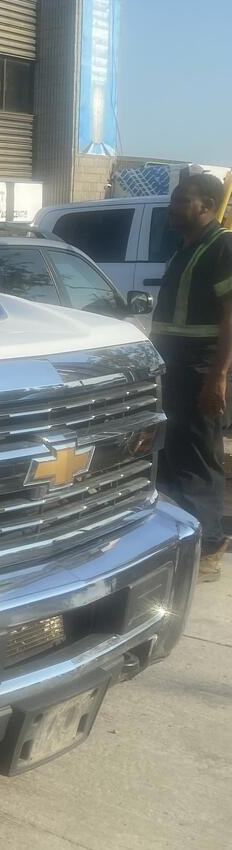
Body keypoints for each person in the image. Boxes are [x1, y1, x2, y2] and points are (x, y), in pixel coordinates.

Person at [150, 173, 232, 581]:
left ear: (207, 205)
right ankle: (182, 537)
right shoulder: (184, 247)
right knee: (172, 453)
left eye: (182, 200)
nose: (172, 206)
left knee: (199, 456)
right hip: (173, 364)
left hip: (201, 366)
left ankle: (212, 546)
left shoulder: (222, 246)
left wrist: (218, 377)